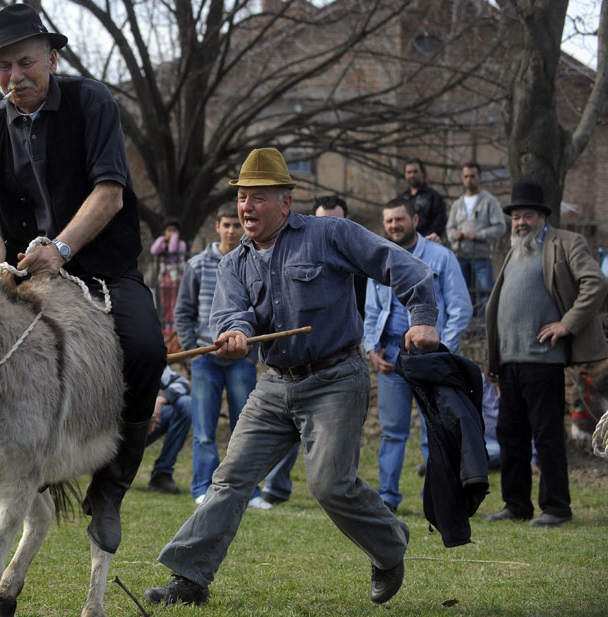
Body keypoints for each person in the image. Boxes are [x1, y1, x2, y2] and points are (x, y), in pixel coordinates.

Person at [146, 148, 440, 606]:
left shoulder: (329, 234)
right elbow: (231, 314)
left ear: (286, 202)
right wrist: (236, 333)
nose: (246, 207)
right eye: (242, 197)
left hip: (336, 377)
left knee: (329, 483)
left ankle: (388, 546)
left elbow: (399, 265)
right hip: (275, 383)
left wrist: (421, 317)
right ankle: (189, 578)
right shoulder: (233, 263)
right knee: (231, 477)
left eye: (258, 197)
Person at [0, 3, 165, 556]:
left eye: (26, 62)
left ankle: (111, 490)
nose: (15, 76)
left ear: (52, 59)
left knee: (147, 349)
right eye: (3, 67)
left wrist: (62, 249)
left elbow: (110, 193)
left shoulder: (92, 101)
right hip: (21, 277)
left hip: (102, 268)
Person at [485, 177, 608, 527]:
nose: (520, 222)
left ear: (542, 216)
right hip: (509, 362)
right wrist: (493, 361)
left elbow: (596, 282)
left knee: (547, 435)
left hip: (543, 360)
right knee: (510, 436)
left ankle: (556, 508)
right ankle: (516, 505)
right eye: (515, 217)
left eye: (527, 215)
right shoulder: (514, 251)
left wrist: (566, 324)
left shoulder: (565, 242)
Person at [363, 198, 471, 513]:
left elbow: (461, 308)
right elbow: (371, 310)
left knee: (433, 431)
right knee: (392, 432)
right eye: (389, 221)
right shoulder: (380, 259)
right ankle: (387, 498)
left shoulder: (441, 257)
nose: (394, 225)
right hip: (392, 357)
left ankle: (433, 499)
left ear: (415, 220)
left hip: (431, 358)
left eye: (400, 219)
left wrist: (443, 349)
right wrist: (371, 348)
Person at [260, 194, 363, 506]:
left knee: (330, 479)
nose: (330, 229)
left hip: (335, 372)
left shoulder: (355, 256)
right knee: (272, 440)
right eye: (322, 221)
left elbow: (367, 306)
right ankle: (276, 486)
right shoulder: (289, 253)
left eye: (337, 221)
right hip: (286, 372)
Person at [173, 205, 270, 510]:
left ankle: (250, 490)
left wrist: (252, 354)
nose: (231, 230)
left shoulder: (253, 263)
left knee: (247, 427)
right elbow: (183, 311)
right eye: (226, 224)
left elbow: (263, 311)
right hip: (205, 358)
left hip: (242, 358)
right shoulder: (197, 265)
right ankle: (203, 486)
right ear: (217, 227)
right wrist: (192, 350)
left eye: (236, 225)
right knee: (204, 429)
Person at [445, 162, 506, 316]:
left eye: (472, 176)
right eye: (466, 176)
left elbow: (500, 227)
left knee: (485, 293)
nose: (469, 179)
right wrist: (455, 235)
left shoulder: (489, 201)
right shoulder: (458, 204)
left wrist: (478, 235)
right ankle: (466, 325)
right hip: (460, 256)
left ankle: (485, 325)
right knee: (462, 294)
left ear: (479, 177)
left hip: (481, 256)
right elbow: (449, 229)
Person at [146, 365, 194, 495]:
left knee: (186, 404)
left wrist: (160, 400)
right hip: (113, 425)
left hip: (142, 421)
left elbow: (182, 383)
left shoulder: (147, 357)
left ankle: (162, 473)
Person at [151, 219, 187, 350]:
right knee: (166, 305)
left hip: (177, 278)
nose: (171, 233)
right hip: (165, 277)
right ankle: (167, 330)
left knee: (175, 304)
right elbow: (154, 250)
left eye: (174, 230)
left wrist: (174, 238)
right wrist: (162, 239)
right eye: (169, 230)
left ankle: (175, 329)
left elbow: (172, 249)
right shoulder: (163, 243)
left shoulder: (181, 244)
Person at [398, 157, 446, 243]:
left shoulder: (434, 197)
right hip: (403, 245)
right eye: (409, 172)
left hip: (427, 242)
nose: (412, 175)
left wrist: (425, 239)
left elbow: (439, 224)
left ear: (424, 173)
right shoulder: (401, 198)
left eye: (415, 171)